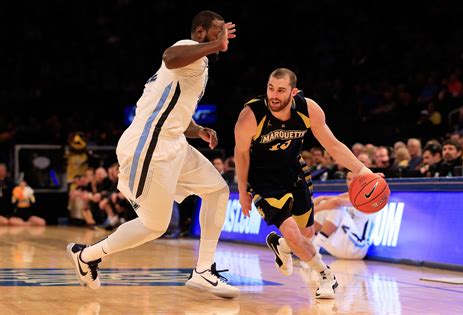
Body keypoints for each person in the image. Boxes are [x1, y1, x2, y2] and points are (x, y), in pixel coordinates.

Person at [66, 10, 239, 299]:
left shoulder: (199, 63)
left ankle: (204, 271)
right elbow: (170, 56)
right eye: (217, 31)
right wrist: (215, 45)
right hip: (149, 147)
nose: (223, 37)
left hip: (174, 143)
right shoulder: (187, 49)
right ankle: (86, 256)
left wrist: (198, 129)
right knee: (155, 225)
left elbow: (172, 112)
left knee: (218, 190)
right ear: (199, 33)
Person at [234, 68, 374, 299]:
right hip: (261, 178)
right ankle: (325, 275)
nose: (274, 95)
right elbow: (241, 154)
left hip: (294, 172)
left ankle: (282, 246)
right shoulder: (251, 116)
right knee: (291, 230)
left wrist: (364, 171)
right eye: (271, 88)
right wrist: (242, 190)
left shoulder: (308, 110)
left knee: (305, 235)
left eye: (281, 90)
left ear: (293, 92)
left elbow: (334, 146)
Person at [312, 171, 375, 260]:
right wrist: (319, 199)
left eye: (355, 179)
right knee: (324, 204)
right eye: (349, 179)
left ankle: (316, 246)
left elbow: (336, 202)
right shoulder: (349, 195)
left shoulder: (367, 196)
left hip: (358, 248)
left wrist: (312, 211)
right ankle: (311, 244)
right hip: (342, 247)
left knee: (337, 209)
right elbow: (326, 199)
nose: (351, 182)